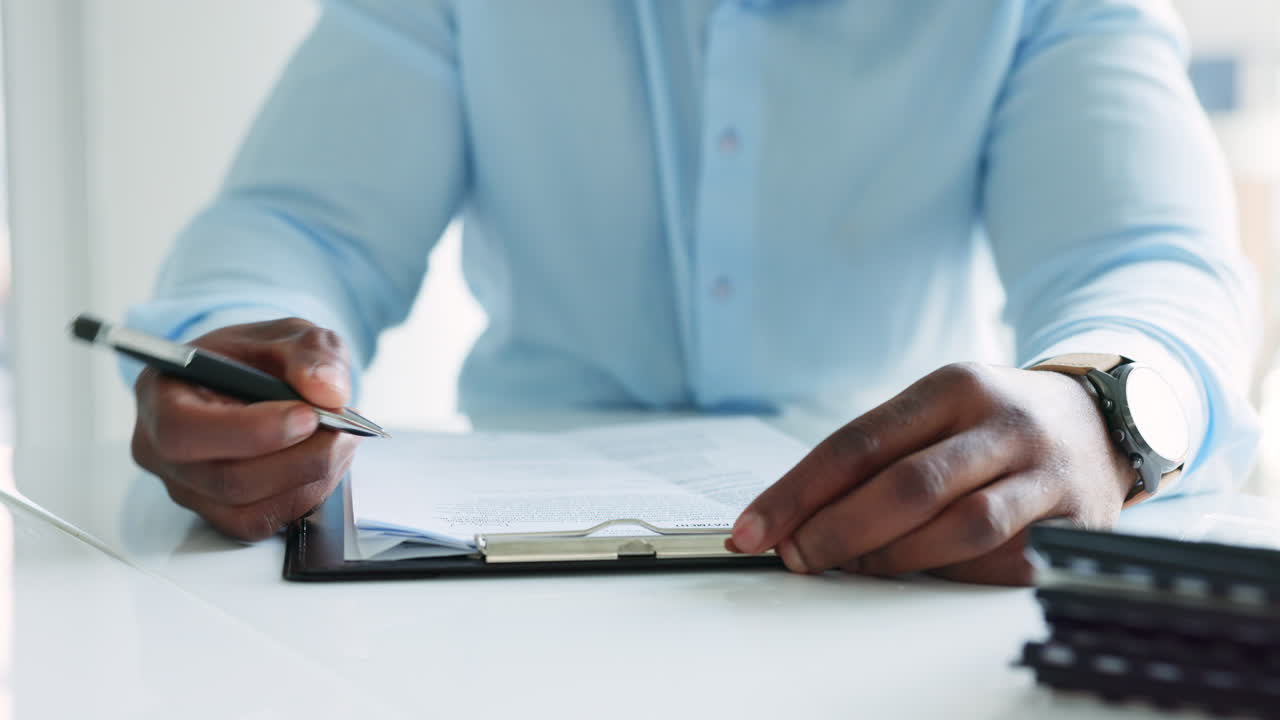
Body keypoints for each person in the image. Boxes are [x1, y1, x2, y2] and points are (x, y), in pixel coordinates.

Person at [126, 0, 1261, 585]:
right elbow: (297, 226)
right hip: (484, 597)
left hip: (903, 561)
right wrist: (232, 358)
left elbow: (1152, 261)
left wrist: (1097, 413)